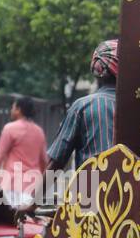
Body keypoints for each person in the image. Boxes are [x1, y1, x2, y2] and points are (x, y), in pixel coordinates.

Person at [46, 40, 118, 171]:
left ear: (97, 72)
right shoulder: (139, 109)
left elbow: (56, 162)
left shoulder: (82, 106)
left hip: (90, 189)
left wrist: (36, 192)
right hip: (132, 190)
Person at [0, 96, 48, 208]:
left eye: (13, 107)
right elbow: (44, 161)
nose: (11, 110)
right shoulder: (39, 132)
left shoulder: (10, 128)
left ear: (19, 110)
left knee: (10, 223)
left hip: (12, 186)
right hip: (32, 188)